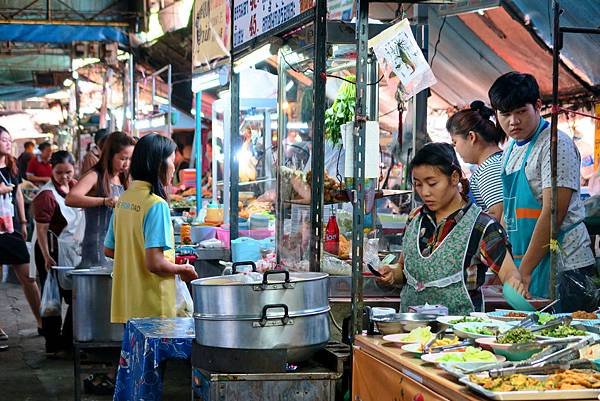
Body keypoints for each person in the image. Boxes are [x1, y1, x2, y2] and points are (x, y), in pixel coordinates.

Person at [490, 71, 597, 310]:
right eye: (505, 114)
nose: (513, 121)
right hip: (528, 263)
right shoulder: (509, 150)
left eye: (521, 112)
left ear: (538, 106)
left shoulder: (555, 145)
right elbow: (510, 214)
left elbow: (553, 212)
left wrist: (524, 271)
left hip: (567, 267)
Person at [377, 143, 526, 315]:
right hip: (410, 332)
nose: (424, 192)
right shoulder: (415, 218)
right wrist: (392, 273)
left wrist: (514, 283)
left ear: (454, 178)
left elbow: (508, 273)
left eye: (432, 183)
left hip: (458, 335)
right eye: (418, 184)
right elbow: (403, 269)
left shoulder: (482, 226)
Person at [104, 133, 198, 325]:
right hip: (153, 305)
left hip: (129, 303)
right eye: (172, 161)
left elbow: (109, 249)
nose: (174, 169)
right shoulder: (156, 204)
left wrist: (135, 256)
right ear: (159, 164)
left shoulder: (125, 199)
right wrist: (183, 269)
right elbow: (155, 263)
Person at [32, 151, 85, 354]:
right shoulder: (46, 196)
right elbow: (41, 231)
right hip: (50, 251)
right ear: (51, 170)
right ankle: (52, 344)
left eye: (68, 172)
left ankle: (68, 339)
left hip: (72, 250)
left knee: (75, 294)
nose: (64, 177)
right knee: (52, 298)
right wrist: (46, 256)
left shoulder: (76, 186)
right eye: (59, 172)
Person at [66, 132, 135, 267]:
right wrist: (104, 201)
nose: (127, 164)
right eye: (123, 158)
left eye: (130, 159)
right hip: (97, 247)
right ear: (110, 155)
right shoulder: (95, 175)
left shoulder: (123, 178)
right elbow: (70, 198)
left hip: (118, 247)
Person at [0, 127, 42, 341]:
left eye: (9, 139)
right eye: (4, 139)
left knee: (28, 275)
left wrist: (24, 221)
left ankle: (41, 321)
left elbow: (17, 193)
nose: (8, 143)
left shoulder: (11, 166)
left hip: (11, 227)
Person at [447, 100, 505, 221]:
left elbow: (499, 216)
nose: (456, 149)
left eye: (455, 142)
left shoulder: (489, 169)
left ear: (472, 137)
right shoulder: (497, 161)